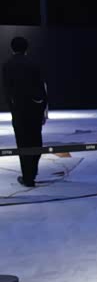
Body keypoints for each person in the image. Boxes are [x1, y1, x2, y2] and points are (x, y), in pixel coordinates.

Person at [2, 36, 48, 188]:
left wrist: (13, 109)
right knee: (36, 142)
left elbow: (7, 90)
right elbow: (41, 88)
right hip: (34, 110)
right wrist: (42, 110)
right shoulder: (33, 63)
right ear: (27, 48)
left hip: (19, 111)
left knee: (23, 143)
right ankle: (31, 173)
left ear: (12, 48)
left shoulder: (7, 65)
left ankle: (28, 177)